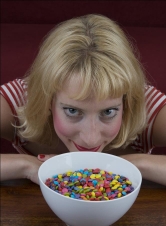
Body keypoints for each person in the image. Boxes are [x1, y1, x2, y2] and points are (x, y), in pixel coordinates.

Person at [1, 14, 166, 185]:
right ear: (47, 100)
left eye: (108, 112)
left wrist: (134, 164)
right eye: (72, 111)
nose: (90, 139)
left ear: (126, 103)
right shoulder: (19, 100)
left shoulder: (147, 105)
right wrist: (26, 166)